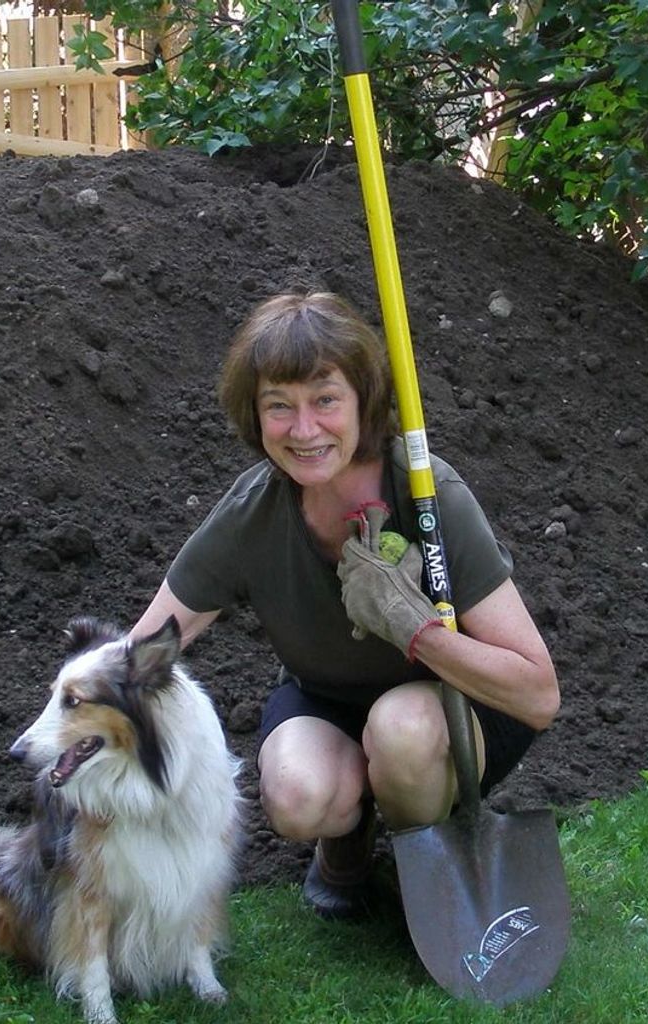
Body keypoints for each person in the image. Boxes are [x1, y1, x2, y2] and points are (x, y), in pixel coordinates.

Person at [130, 291, 560, 918]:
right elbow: (144, 648)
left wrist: (415, 630)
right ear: (256, 415)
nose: (304, 430)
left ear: (363, 399)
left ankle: (426, 855)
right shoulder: (254, 513)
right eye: (280, 406)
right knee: (297, 795)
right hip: (330, 701)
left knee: (402, 729)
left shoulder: (429, 495)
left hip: (450, 713)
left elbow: (538, 695)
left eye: (326, 400)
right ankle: (348, 840)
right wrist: (72, 730)